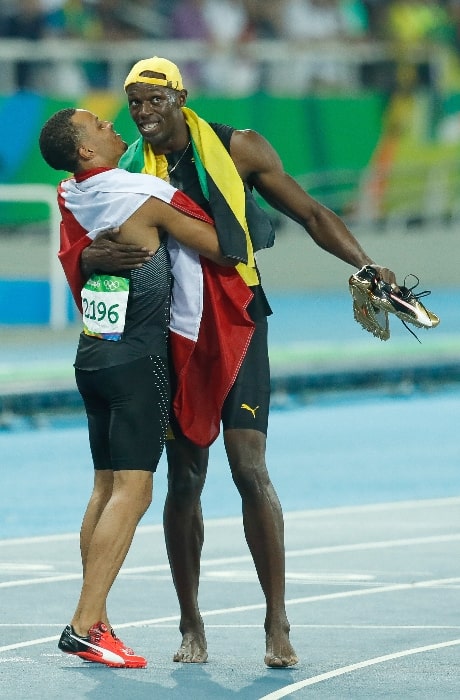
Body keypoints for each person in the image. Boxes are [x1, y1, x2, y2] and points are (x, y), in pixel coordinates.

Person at [61, 57, 399, 668]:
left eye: (154, 100)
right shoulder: (126, 168)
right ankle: (191, 622)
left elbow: (312, 214)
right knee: (186, 478)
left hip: (238, 319)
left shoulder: (237, 146)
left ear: (181, 97)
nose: (142, 113)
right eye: (133, 103)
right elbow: (81, 244)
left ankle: (276, 619)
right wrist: (89, 262)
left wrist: (366, 265)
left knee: (249, 467)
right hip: (170, 331)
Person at [38, 106, 244, 668]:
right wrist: (224, 186)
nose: (112, 125)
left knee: (105, 487)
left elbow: (80, 251)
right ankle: (84, 623)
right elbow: (226, 246)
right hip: (138, 360)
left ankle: (96, 619)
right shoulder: (145, 197)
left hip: (94, 356)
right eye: (98, 126)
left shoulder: (71, 196)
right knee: (135, 490)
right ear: (84, 150)